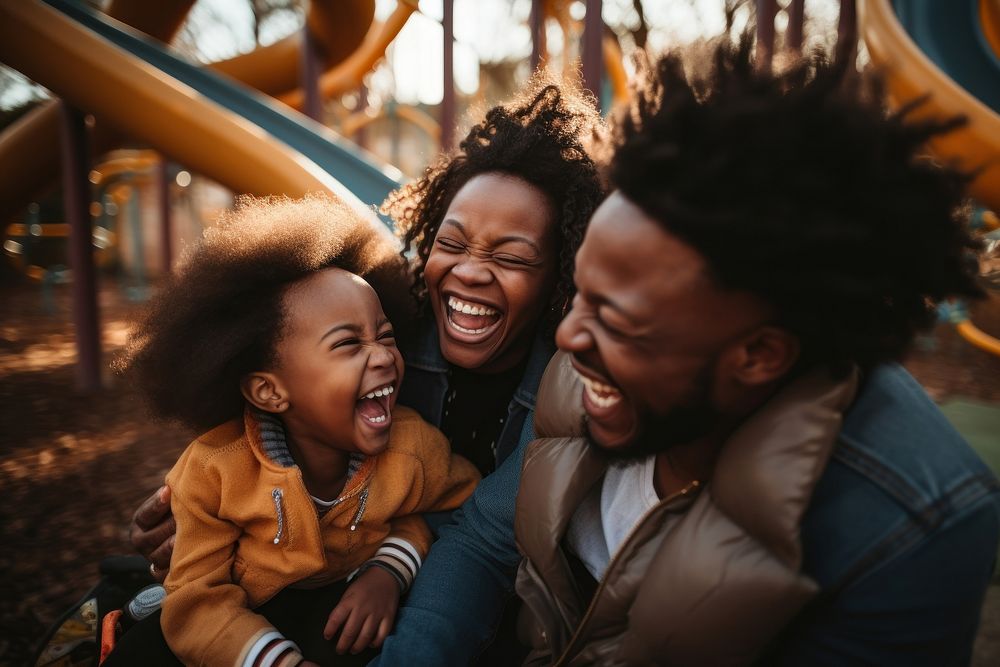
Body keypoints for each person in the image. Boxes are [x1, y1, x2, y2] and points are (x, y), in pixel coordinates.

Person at [377, 38, 1000, 665]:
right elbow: (485, 544)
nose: (566, 340)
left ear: (758, 356)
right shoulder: (587, 369)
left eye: (616, 319)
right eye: (583, 294)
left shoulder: (910, 524)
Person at [123, 78, 606, 658]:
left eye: (510, 257)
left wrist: (389, 567)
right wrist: (200, 512)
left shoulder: (566, 382)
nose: (471, 272)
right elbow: (266, 402)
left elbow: (472, 530)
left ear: (561, 274)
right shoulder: (387, 313)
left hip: (444, 595)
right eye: (452, 245)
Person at [103, 195, 480, 666]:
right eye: (347, 344)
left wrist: (389, 570)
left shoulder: (414, 448)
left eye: (385, 336)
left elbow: (459, 509)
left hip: (338, 606)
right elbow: (195, 599)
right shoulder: (213, 471)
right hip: (237, 622)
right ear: (269, 391)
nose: (383, 355)